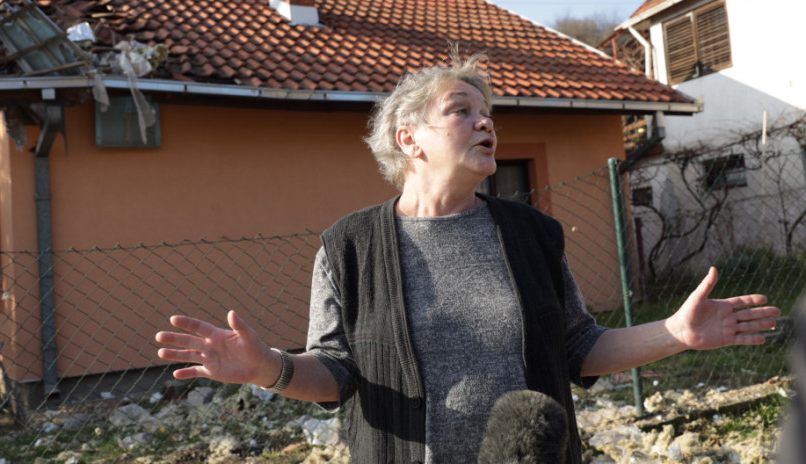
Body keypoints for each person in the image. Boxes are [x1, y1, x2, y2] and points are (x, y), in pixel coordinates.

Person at [156, 52, 780, 464]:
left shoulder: (532, 234)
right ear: (409, 139)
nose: (486, 124)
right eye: (462, 112)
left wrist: (674, 333)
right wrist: (269, 366)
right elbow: (335, 372)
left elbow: (577, 346)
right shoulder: (348, 246)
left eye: (489, 115)